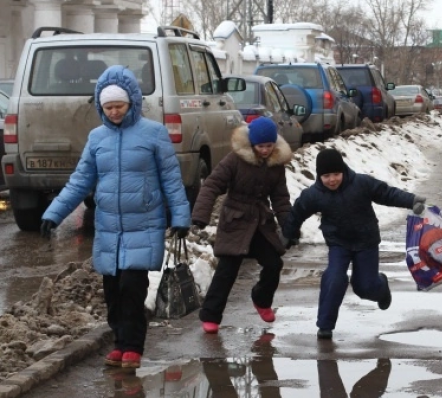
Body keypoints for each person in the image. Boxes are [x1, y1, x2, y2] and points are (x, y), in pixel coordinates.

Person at [40, 65, 191, 370]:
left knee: (132, 288)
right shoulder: (97, 139)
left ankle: (133, 346)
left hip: (143, 224)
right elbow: (80, 181)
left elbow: (171, 180)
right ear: (100, 107)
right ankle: (120, 341)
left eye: (119, 106)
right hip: (109, 228)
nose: (114, 112)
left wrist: (180, 217)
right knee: (112, 290)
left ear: (132, 102)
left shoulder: (154, 134)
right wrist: (54, 214)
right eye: (107, 107)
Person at [281, 148, 425, 340]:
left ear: (343, 171)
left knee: (364, 287)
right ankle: (325, 326)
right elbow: (298, 212)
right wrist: (289, 235)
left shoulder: (361, 183)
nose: (332, 179)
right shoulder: (314, 194)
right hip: (338, 244)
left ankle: (381, 287)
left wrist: (412, 200)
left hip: (366, 242)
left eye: (336, 174)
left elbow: (387, 193)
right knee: (334, 278)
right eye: (326, 176)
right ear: (319, 176)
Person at [191, 116, 293, 334]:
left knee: (274, 264)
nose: (265, 150)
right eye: (260, 146)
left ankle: (261, 299)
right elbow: (211, 186)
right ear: (251, 144)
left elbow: (281, 199)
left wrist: (289, 226)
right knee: (227, 271)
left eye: (269, 145)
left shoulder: (276, 166)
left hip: (260, 224)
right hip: (235, 221)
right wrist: (201, 215)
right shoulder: (234, 160)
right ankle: (210, 315)